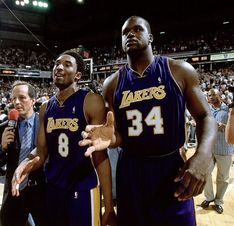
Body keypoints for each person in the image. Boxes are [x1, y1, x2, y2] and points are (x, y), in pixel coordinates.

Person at [79, 16, 217, 226]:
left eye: (137, 29)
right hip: (131, 170)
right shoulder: (112, 84)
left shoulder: (179, 70)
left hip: (171, 168)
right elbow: (119, 135)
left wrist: (203, 155)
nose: (130, 34)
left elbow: (205, 116)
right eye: (125, 32)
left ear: (150, 36)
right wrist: (112, 138)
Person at [11, 51, 116, 226]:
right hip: (53, 189)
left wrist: (110, 206)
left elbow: (100, 156)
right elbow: (42, 151)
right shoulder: (45, 107)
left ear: (78, 75)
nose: (59, 67)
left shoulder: (91, 101)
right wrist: (25, 165)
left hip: (83, 189)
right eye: (57, 64)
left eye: (67, 64)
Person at [0, 81, 48, 226]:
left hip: (41, 191)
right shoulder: (4, 127)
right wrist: (2, 147)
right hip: (14, 192)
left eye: (22, 98)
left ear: (33, 100)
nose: (16, 102)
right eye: (13, 98)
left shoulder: (46, 124)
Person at [200, 89, 234, 214]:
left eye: (214, 94)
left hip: (225, 149)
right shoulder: (206, 110)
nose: (211, 97)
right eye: (209, 95)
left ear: (220, 95)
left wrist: (224, 126)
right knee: (205, 174)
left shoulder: (229, 109)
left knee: (223, 178)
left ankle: (218, 201)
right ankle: (209, 198)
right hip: (209, 149)